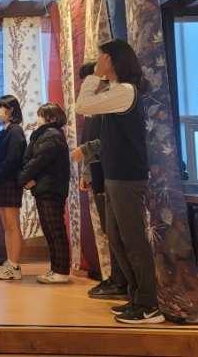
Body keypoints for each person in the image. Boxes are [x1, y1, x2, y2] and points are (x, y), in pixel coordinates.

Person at [76, 39, 164, 325]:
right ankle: (136, 297)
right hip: (115, 174)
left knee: (133, 239)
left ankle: (149, 305)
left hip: (127, 175)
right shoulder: (116, 90)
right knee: (117, 237)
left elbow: (82, 105)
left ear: (112, 60)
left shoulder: (125, 90)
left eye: (101, 57)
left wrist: (94, 76)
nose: (98, 61)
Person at [73, 61, 128, 300]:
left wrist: (85, 150)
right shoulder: (95, 109)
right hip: (97, 173)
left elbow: (107, 143)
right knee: (109, 231)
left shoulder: (110, 103)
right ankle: (116, 278)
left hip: (109, 174)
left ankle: (122, 281)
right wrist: (86, 175)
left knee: (116, 232)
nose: (85, 87)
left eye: (89, 81)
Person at [19, 103, 72, 284]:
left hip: (51, 188)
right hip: (45, 187)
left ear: (52, 119)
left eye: (42, 116)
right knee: (49, 230)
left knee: (55, 230)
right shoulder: (44, 135)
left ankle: (61, 271)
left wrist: (22, 179)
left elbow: (38, 161)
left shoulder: (52, 135)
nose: (38, 119)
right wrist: (27, 179)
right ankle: (55, 269)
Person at [0, 95, 28, 280]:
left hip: (9, 181)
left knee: (12, 224)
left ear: (11, 110)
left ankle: (15, 266)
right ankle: (10, 262)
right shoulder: (4, 131)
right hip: (1, 182)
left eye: (2, 107)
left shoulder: (15, 130)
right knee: (6, 225)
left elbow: (13, 159)